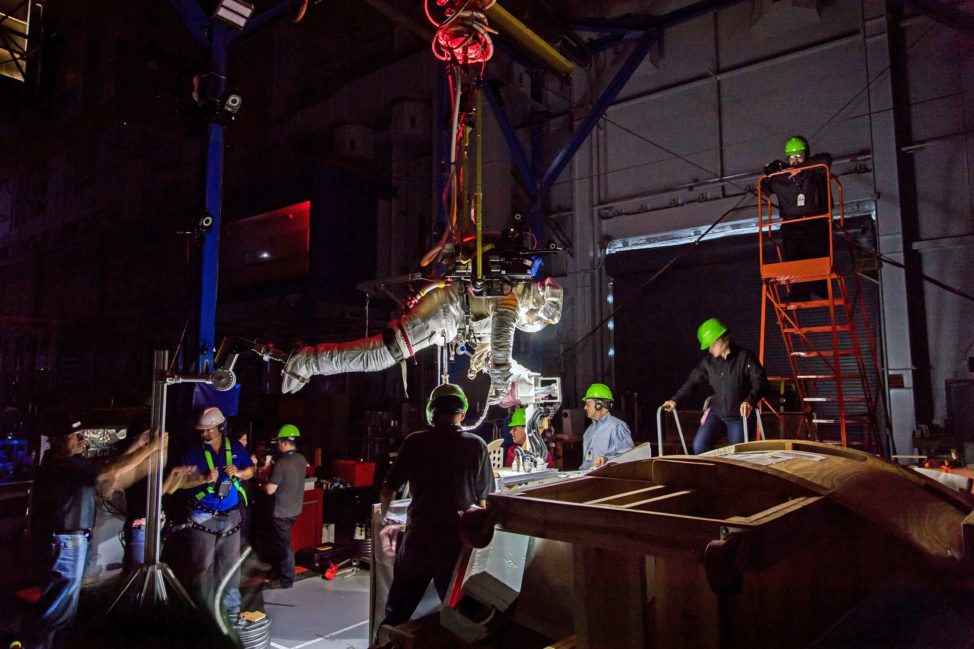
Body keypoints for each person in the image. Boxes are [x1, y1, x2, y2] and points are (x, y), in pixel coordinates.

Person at [281, 278, 563, 405]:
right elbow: (502, 344)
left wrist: (526, 378)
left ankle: (309, 362)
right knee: (379, 356)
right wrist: (501, 384)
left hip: (448, 318)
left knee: (379, 356)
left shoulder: (507, 301)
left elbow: (493, 354)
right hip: (442, 314)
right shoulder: (512, 302)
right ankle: (307, 361)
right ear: (537, 310)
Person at [22, 413, 165, 649]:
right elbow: (109, 473)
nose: (81, 440)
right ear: (56, 440)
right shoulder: (62, 465)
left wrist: (136, 446)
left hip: (72, 540)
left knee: (64, 606)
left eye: (82, 435)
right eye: (75, 436)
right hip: (65, 541)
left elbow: (110, 468)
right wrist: (150, 449)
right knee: (58, 607)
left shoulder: (69, 463)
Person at [375, 384, 493, 636]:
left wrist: (387, 519)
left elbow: (388, 490)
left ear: (432, 412)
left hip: (418, 541)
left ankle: (382, 643)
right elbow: (483, 502)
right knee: (459, 616)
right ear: (461, 414)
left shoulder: (415, 442)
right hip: (453, 543)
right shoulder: (477, 445)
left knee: (396, 614)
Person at [172, 406, 254, 623]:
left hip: (230, 514)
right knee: (202, 567)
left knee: (229, 566)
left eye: (208, 430)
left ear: (220, 427)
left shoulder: (235, 448)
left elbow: (250, 470)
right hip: (203, 515)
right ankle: (205, 611)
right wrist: (204, 479)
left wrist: (239, 472)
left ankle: (232, 611)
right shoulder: (192, 452)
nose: (204, 434)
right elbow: (179, 483)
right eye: (201, 431)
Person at [663, 318, 769, 455]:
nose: (710, 349)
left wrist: (749, 401)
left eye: (712, 345)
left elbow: (760, 382)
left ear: (724, 338)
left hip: (738, 416)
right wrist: (675, 399)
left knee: (738, 455)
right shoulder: (708, 363)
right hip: (716, 413)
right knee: (699, 446)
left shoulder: (745, 357)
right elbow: (692, 382)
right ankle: (714, 474)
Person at [763, 136, 834, 299]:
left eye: (799, 156)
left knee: (815, 255)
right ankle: (799, 292)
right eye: (792, 157)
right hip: (791, 225)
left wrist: (802, 168)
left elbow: (826, 159)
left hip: (815, 221)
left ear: (806, 155)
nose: (795, 160)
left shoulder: (815, 170)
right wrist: (770, 172)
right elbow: (764, 189)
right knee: (794, 260)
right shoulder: (783, 177)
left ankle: (821, 288)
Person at [261, 424, 309, 590]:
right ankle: (278, 572)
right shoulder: (302, 460)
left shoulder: (282, 463)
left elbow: (270, 490)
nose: (278, 445)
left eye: (280, 441)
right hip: (295, 509)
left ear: (284, 443)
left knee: (284, 546)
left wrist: (261, 480)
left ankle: (286, 580)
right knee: (279, 543)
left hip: (281, 512)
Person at [578, 383, 634, 470]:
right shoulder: (589, 430)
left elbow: (629, 456)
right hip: (588, 478)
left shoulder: (617, 427)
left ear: (599, 405)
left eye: (588, 404)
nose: (585, 407)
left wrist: (607, 459)